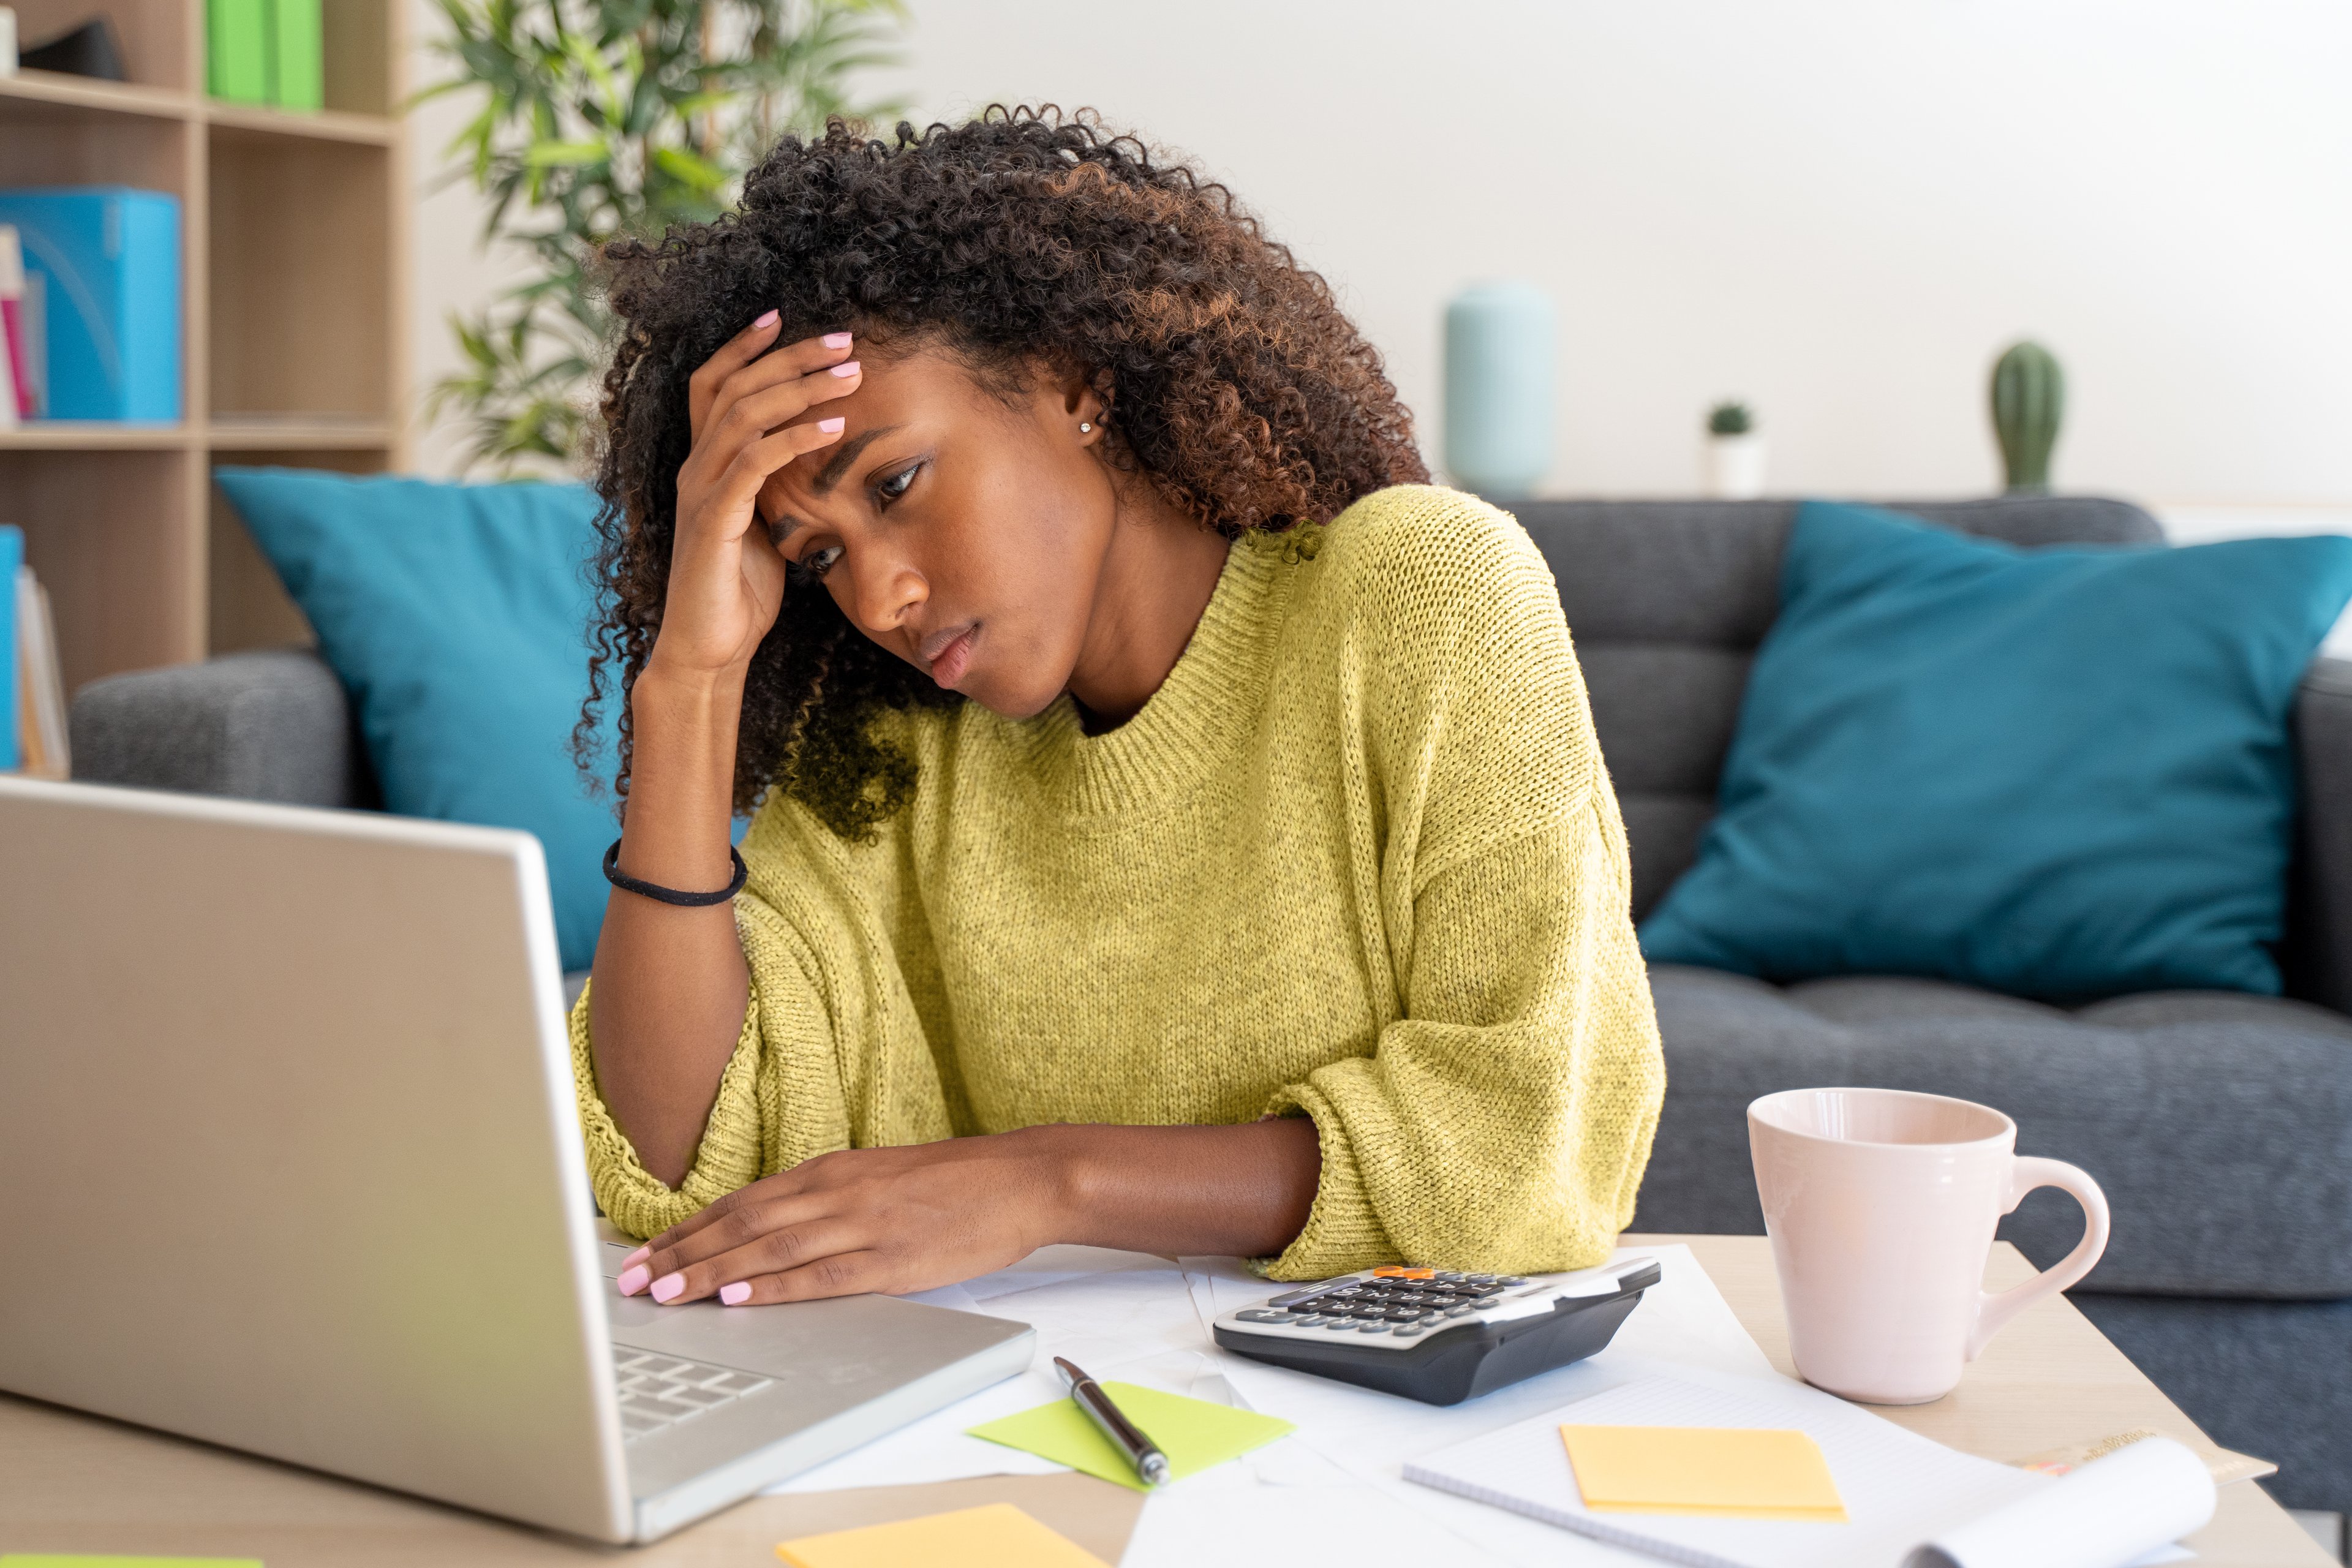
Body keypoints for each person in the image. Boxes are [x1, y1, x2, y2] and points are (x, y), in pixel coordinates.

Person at [576, 107, 1664, 1311]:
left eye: (896, 482)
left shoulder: (1421, 590)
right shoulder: (895, 738)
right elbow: (675, 1165)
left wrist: (1053, 1182)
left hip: (1388, 1426)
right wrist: (690, 682)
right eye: (816, 555)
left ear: (1075, 385)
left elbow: (1540, 1143)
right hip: (1033, 1417)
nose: (880, 593)